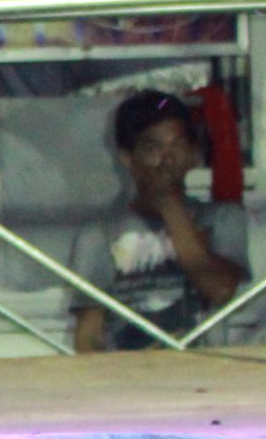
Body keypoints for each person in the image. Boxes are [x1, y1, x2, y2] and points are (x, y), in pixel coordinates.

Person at [68, 90, 249, 352]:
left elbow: (219, 290)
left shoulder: (221, 219)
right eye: (153, 148)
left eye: (178, 145)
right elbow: (89, 335)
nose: (168, 159)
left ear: (193, 154)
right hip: (128, 372)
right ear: (127, 158)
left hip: (203, 371)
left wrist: (170, 206)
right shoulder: (98, 235)